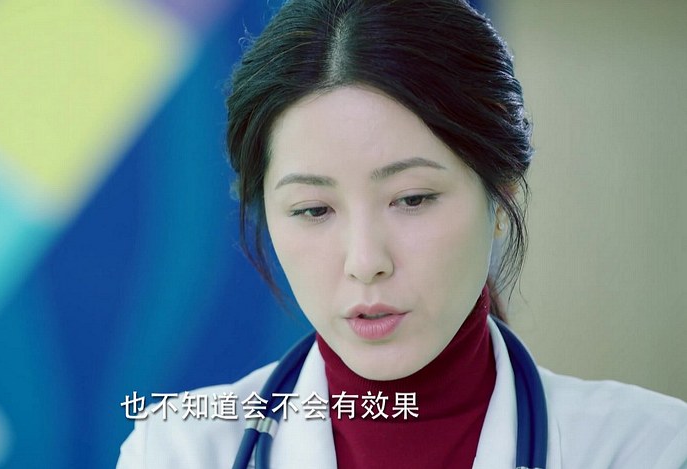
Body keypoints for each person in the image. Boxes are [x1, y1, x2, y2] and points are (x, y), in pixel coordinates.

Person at [117, 0, 687, 467]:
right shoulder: (176, 451)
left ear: (501, 194)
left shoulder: (650, 449)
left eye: (412, 199)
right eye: (313, 209)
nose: (366, 261)